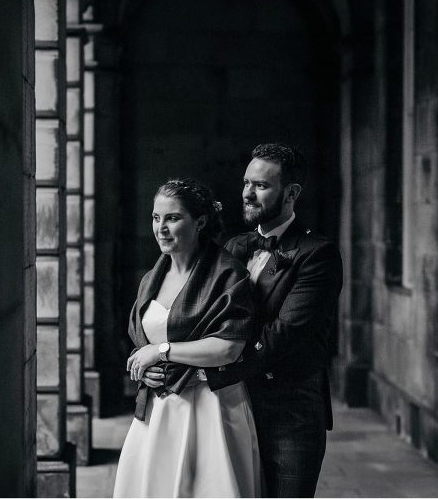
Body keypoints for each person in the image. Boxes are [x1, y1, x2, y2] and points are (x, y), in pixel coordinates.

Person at [205, 143, 344, 497]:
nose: (248, 194)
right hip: (234, 404)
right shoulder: (235, 247)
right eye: (246, 183)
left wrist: (214, 367)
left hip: (290, 414)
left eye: (261, 186)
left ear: (291, 193)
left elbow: (286, 333)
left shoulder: (318, 254)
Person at [113, 178, 262, 498]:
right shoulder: (151, 278)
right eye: (156, 218)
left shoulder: (227, 273)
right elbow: (142, 342)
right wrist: (143, 365)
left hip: (210, 407)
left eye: (173, 218)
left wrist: (161, 352)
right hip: (158, 410)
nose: (161, 228)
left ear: (201, 222)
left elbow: (229, 347)